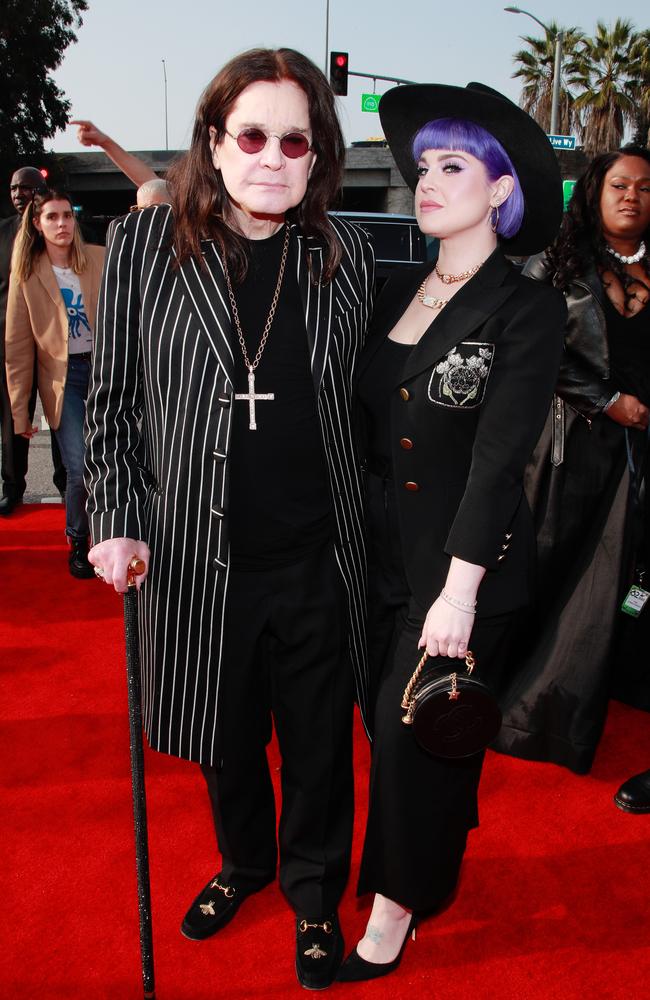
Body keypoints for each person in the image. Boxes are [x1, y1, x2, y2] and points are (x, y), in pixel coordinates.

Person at [84, 48, 374, 990]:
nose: (272, 156)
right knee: (224, 735)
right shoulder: (147, 247)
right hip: (197, 560)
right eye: (251, 133)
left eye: (296, 139)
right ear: (214, 141)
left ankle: (315, 895)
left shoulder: (342, 255)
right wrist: (118, 517)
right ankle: (245, 864)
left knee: (322, 746)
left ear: (318, 154)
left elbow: (368, 413)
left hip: (317, 559)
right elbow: (117, 403)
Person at [336, 83, 566, 982]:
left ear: (502, 191)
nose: (427, 182)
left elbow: (500, 458)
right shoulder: (395, 283)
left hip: (460, 571)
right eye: (423, 166)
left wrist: (458, 593)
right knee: (397, 726)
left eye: (454, 166)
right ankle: (435, 819)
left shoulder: (525, 308)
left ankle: (398, 909)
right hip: (374, 553)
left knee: (409, 733)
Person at [494, 148, 650, 775]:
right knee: (552, 574)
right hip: (570, 449)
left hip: (639, 457)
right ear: (595, 191)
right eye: (619, 184)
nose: (632, 196)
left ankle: (580, 703)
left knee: (613, 587)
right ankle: (519, 712)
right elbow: (527, 349)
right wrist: (608, 400)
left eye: (644, 187)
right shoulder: (557, 264)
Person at [5, 189, 104, 577]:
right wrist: (19, 412)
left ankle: (115, 535)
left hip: (107, 371)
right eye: (52, 217)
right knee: (79, 467)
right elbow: (17, 347)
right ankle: (79, 540)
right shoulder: (27, 277)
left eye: (67, 215)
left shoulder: (99, 258)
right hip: (67, 380)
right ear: (37, 224)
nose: (62, 224)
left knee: (115, 460)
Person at [0, 167, 66, 515]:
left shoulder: (58, 230)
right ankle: (13, 487)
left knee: (63, 417)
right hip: (14, 342)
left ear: (41, 190)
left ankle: (67, 485)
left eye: (25, 188)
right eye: (13, 188)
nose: (17, 194)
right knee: (14, 417)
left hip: (55, 342)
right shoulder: (3, 233)